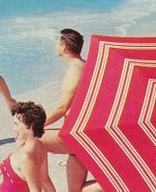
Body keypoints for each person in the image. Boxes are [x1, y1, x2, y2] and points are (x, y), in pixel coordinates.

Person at [40, 29, 102, 191]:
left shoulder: (75, 68)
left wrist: (37, 125)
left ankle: (40, 186)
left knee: (34, 139)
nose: (56, 46)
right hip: (81, 131)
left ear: (64, 47)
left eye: (58, 42)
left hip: (79, 135)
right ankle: (116, 185)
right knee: (76, 190)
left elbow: (62, 107)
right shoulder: (85, 64)